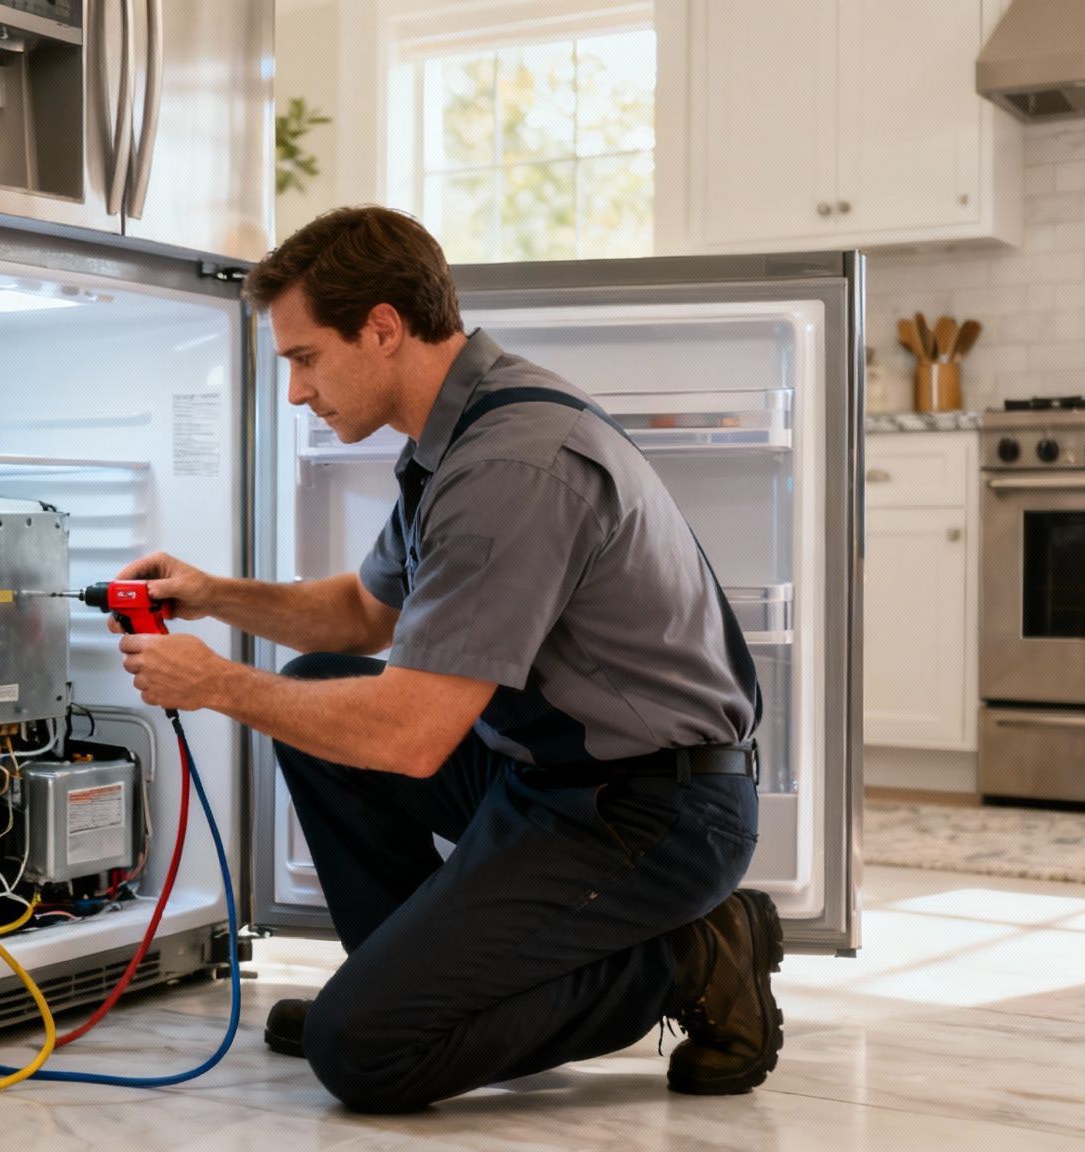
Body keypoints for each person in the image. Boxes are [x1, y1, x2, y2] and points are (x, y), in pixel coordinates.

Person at [111, 206, 781, 1114]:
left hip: (653, 811)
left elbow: (412, 736)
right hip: (547, 779)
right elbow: (359, 615)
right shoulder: (455, 439)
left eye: (305, 358)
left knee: (366, 1054)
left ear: (382, 328)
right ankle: (407, 985)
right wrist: (214, 593)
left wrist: (218, 683)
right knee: (316, 698)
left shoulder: (511, 464)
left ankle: (690, 956)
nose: (298, 391)